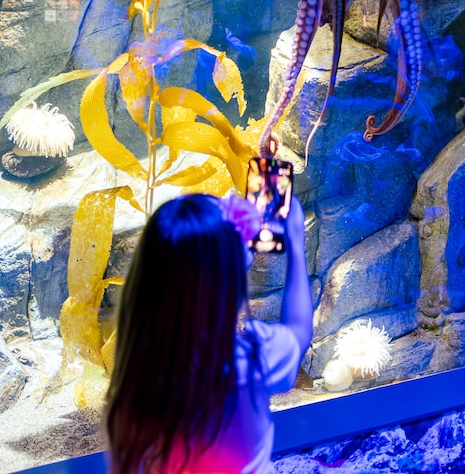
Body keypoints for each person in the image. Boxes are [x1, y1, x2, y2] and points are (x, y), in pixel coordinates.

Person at [105, 191, 312, 474]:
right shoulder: (249, 360)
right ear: (230, 281)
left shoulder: (138, 371)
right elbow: (298, 330)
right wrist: (296, 243)